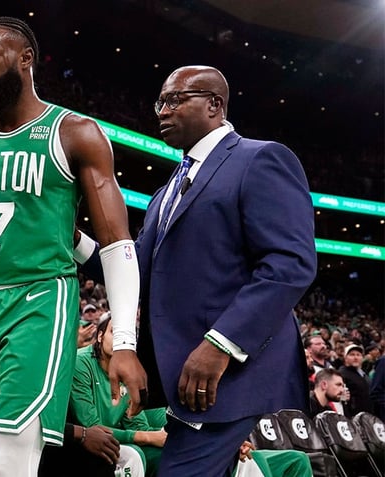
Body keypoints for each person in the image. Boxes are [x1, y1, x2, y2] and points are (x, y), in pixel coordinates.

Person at [0, 17, 145, 477]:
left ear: (25, 60)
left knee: (9, 460)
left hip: (39, 300)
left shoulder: (74, 132)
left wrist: (124, 341)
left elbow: (117, 243)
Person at [133, 65, 317, 475]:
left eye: (175, 100)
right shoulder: (166, 190)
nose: (162, 111)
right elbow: (133, 268)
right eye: (160, 102)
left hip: (226, 373)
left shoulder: (261, 158)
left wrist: (221, 344)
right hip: (187, 379)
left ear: (215, 104)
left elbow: (290, 263)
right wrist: (71, 237)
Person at [69, 315, 167, 477]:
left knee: (164, 455)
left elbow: (136, 425)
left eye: (127, 337)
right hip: (82, 443)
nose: (120, 341)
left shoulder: (128, 371)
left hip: (113, 439)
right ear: (100, 337)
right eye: (114, 332)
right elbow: (92, 426)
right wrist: (145, 436)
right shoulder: (81, 363)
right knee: (132, 456)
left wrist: (160, 436)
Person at [337, 343, 372, 417]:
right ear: (345, 358)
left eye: (358, 355)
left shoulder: (363, 374)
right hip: (353, 417)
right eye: (352, 355)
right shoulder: (342, 374)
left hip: (367, 416)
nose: (355, 357)